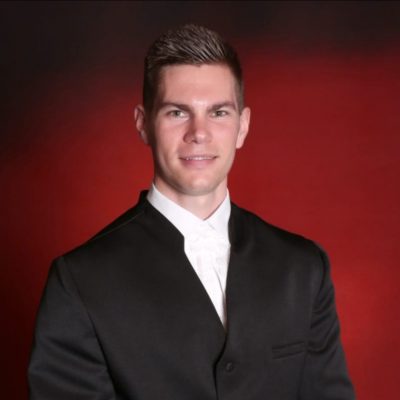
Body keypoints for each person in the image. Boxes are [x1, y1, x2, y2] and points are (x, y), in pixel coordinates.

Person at [28, 24, 355, 400]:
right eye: (177, 113)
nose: (199, 132)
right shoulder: (79, 282)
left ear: (243, 126)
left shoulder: (303, 267)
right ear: (143, 125)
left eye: (218, 112)